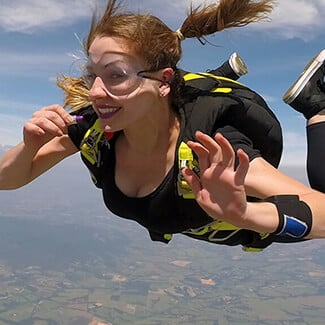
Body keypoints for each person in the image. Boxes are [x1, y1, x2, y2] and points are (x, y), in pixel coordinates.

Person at [1, 0, 325, 251]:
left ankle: (315, 106)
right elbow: (7, 180)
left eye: (116, 75)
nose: (96, 92)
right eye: (92, 75)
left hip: (250, 225)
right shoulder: (95, 130)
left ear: (164, 80)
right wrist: (28, 145)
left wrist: (247, 215)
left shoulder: (210, 147)